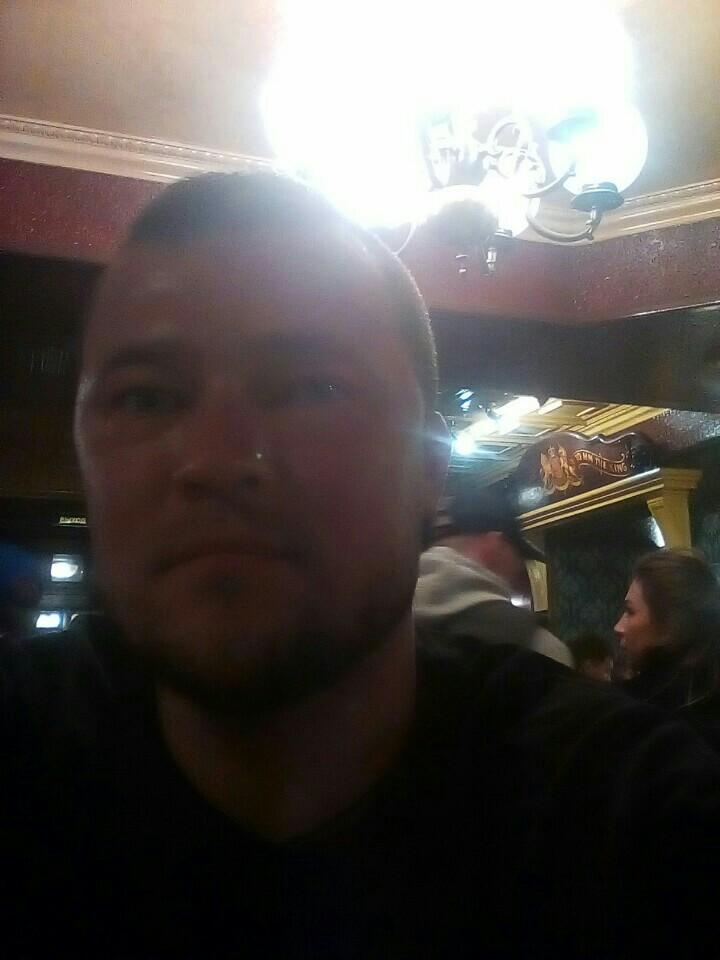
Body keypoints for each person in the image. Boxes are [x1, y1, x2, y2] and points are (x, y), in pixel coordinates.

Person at [1, 172, 719, 958]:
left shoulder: (630, 818)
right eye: (144, 398)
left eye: (313, 388)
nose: (215, 459)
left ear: (431, 473)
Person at [414, 483, 573, 666]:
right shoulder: (539, 647)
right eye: (517, 555)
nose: (518, 569)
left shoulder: (396, 609)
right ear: (496, 544)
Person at [616, 548, 720, 747]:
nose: (618, 627)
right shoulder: (703, 701)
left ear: (671, 626)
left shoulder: (635, 716)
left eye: (630, 611)